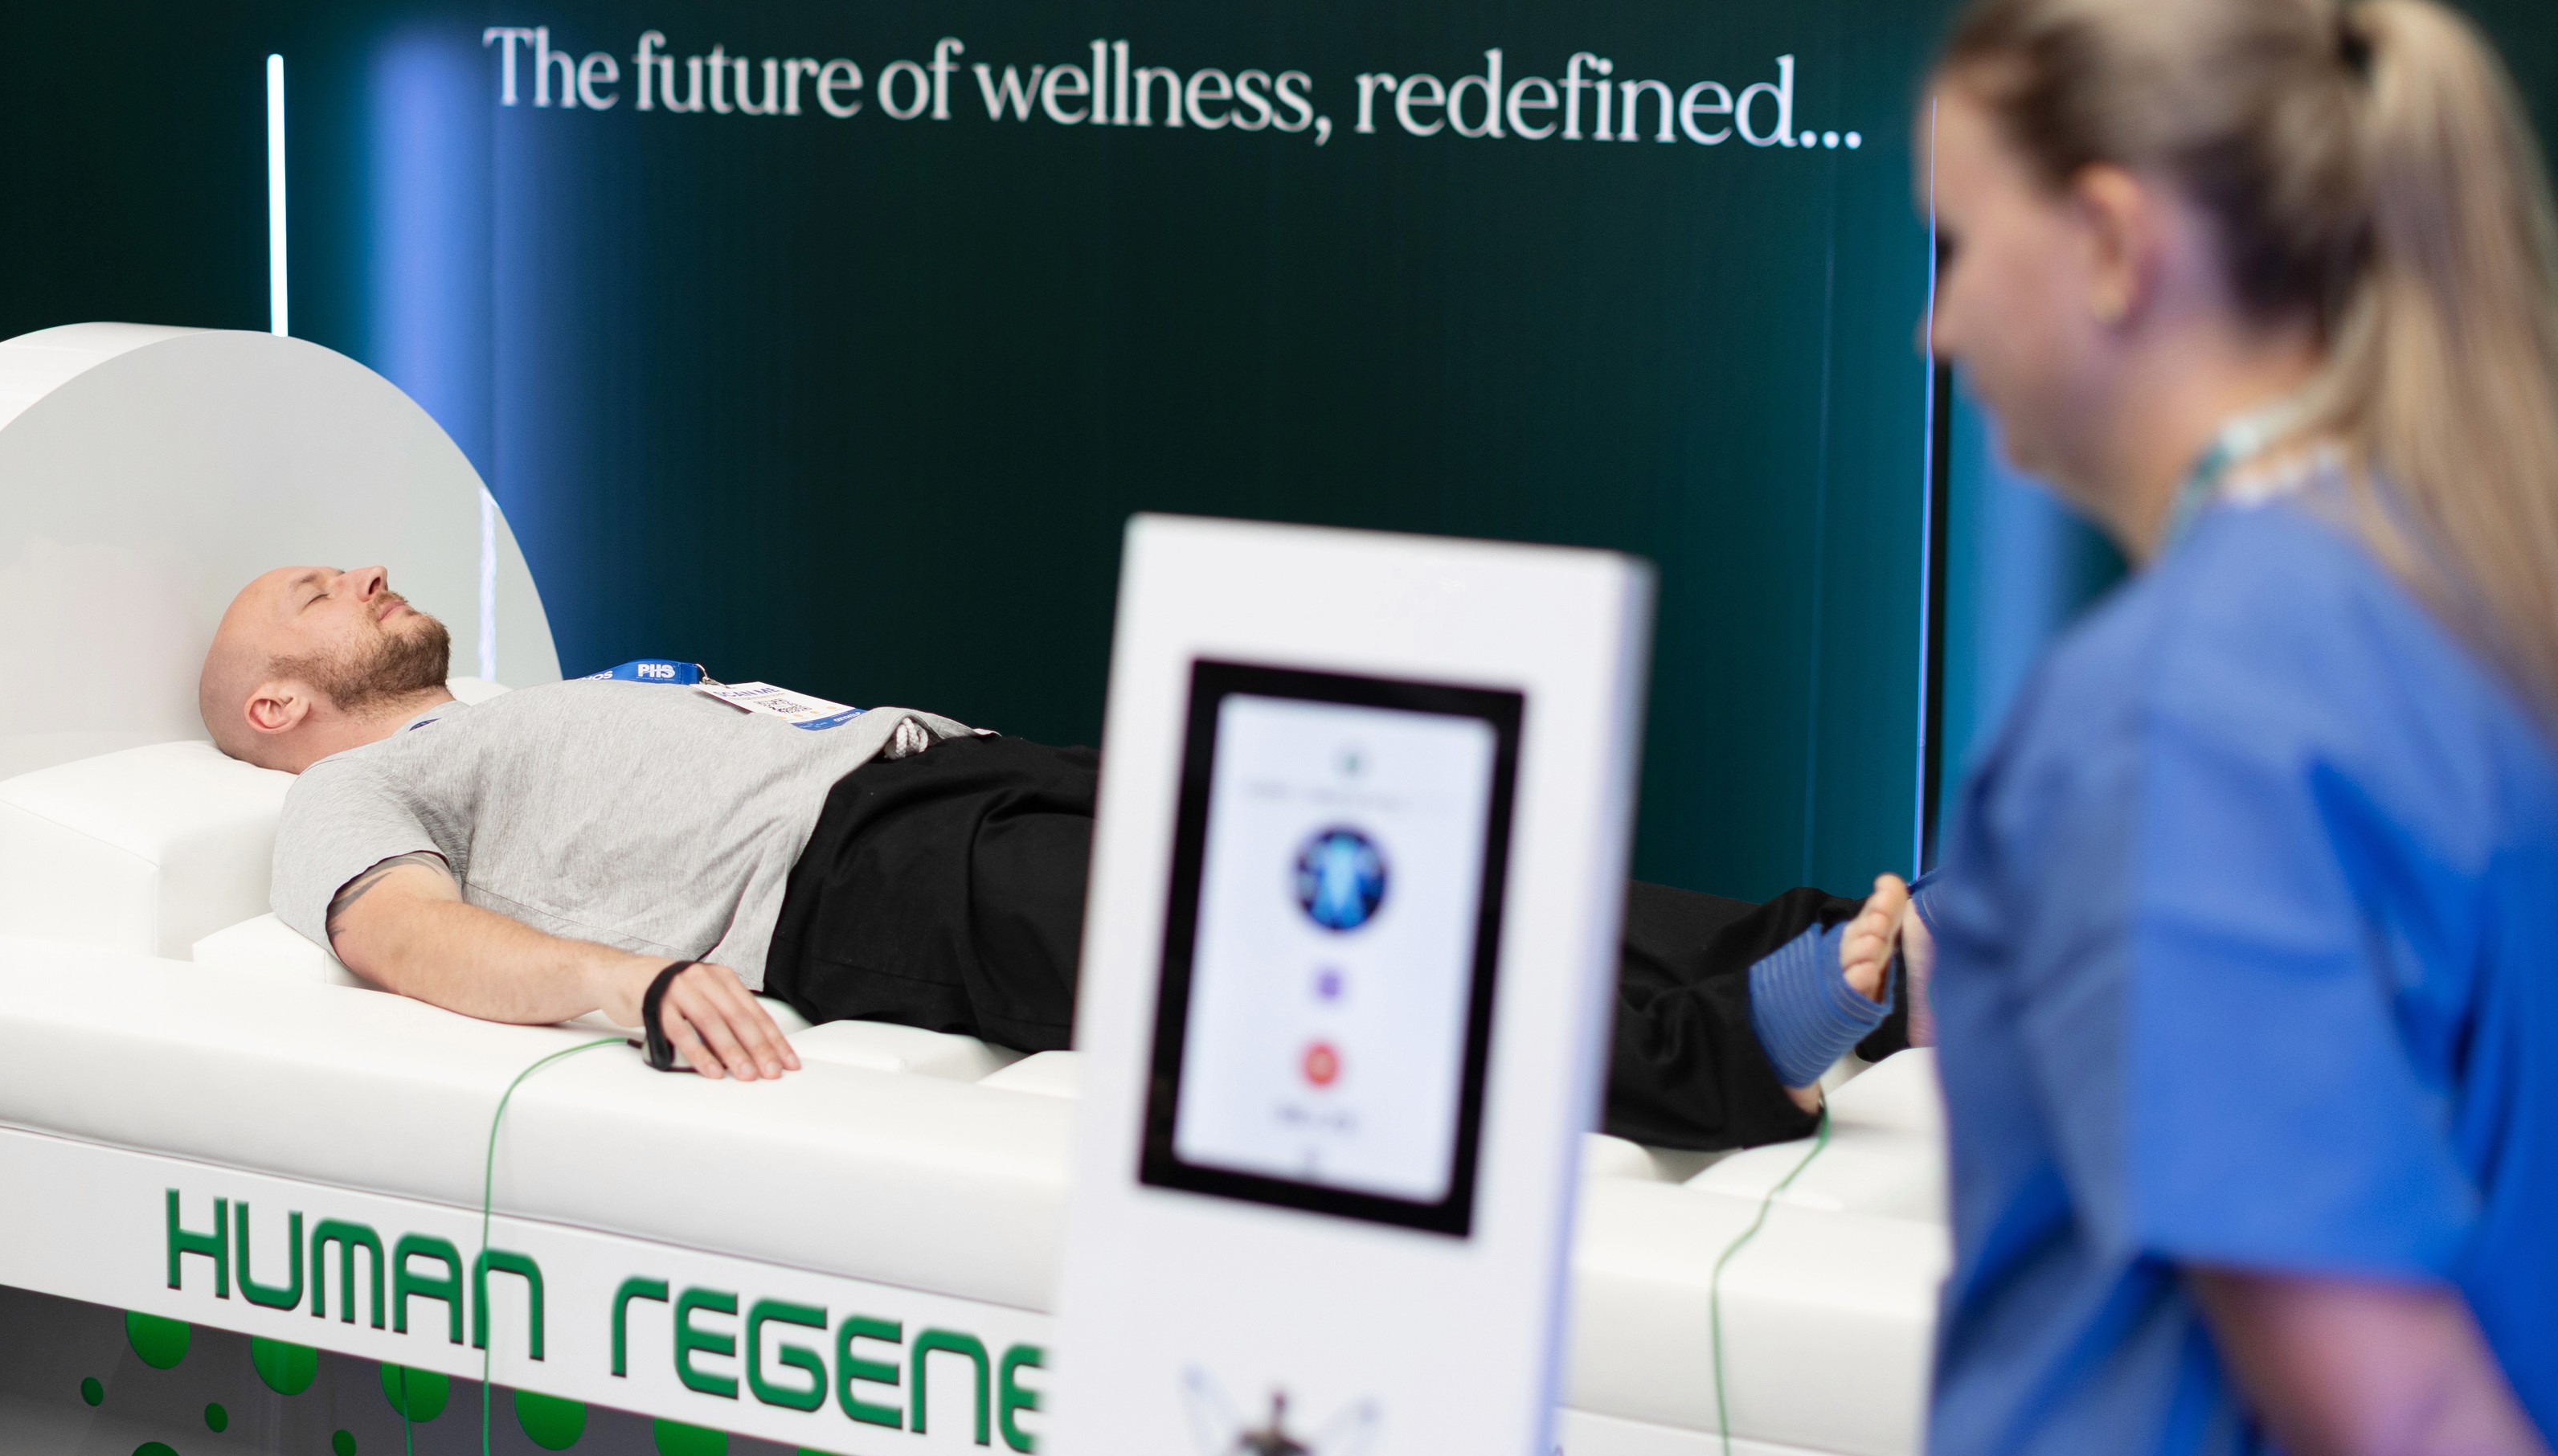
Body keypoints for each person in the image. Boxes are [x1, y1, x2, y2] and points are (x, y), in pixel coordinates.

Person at [1906, 0, 2558, 1456]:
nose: (1932, 321)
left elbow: (2392, 1413)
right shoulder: (2461, 607)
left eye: (1958, 244)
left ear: (2111, 241)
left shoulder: (2186, 708)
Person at [200, 563, 1918, 1139]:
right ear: (276, 706)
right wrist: (632, 983)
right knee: (1291, 965)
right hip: (855, 886)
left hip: (953, 775)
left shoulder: (518, 696)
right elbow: (401, 937)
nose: (355, 572)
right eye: (311, 593)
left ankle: (1823, 951)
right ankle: (1720, 1059)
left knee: (1385, 854)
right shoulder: (347, 793)